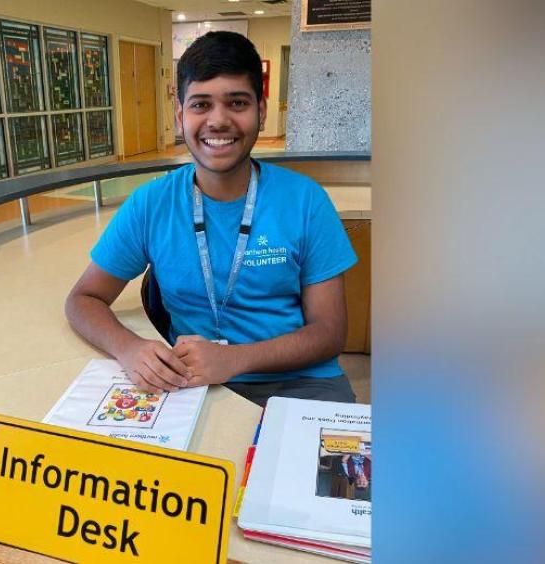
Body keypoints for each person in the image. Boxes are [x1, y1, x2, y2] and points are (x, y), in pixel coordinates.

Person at [65, 31, 357, 406]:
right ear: (179, 114)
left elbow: (330, 332)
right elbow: (82, 299)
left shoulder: (306, 200)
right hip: (193, 383)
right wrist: (129, 348)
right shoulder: (151, 204)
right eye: (201, 105)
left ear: (261, 111)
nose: (218, 121)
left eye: (237, 102)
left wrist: (234, 359)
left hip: (302, 382)